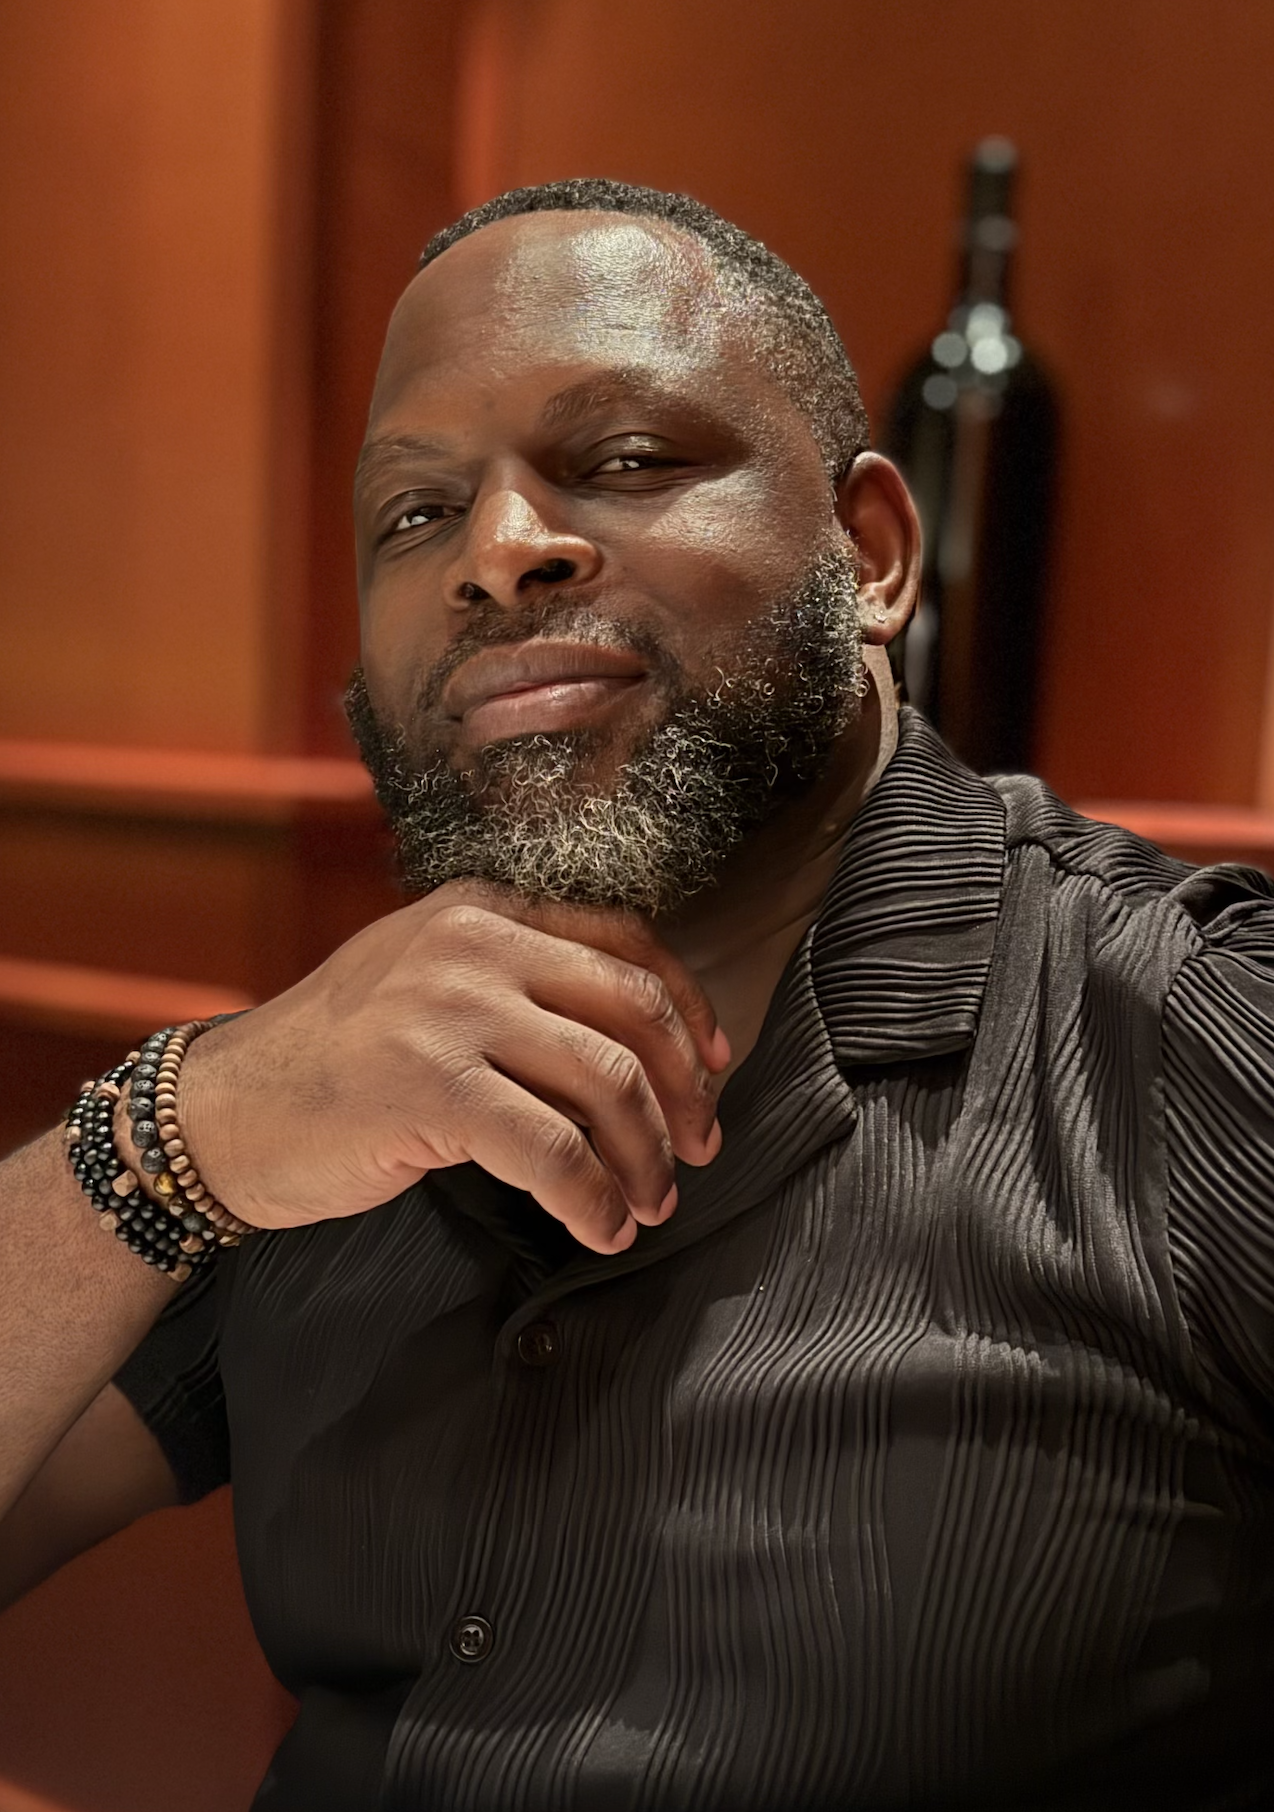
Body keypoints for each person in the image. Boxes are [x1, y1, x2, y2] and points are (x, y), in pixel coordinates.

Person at [2, 178, 1272, 1812]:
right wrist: (182, 1122)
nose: (498, 553)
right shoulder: (329, 1096)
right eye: (413, 514)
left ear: (871, 554)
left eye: (622, 460)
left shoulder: (1190, 1046)